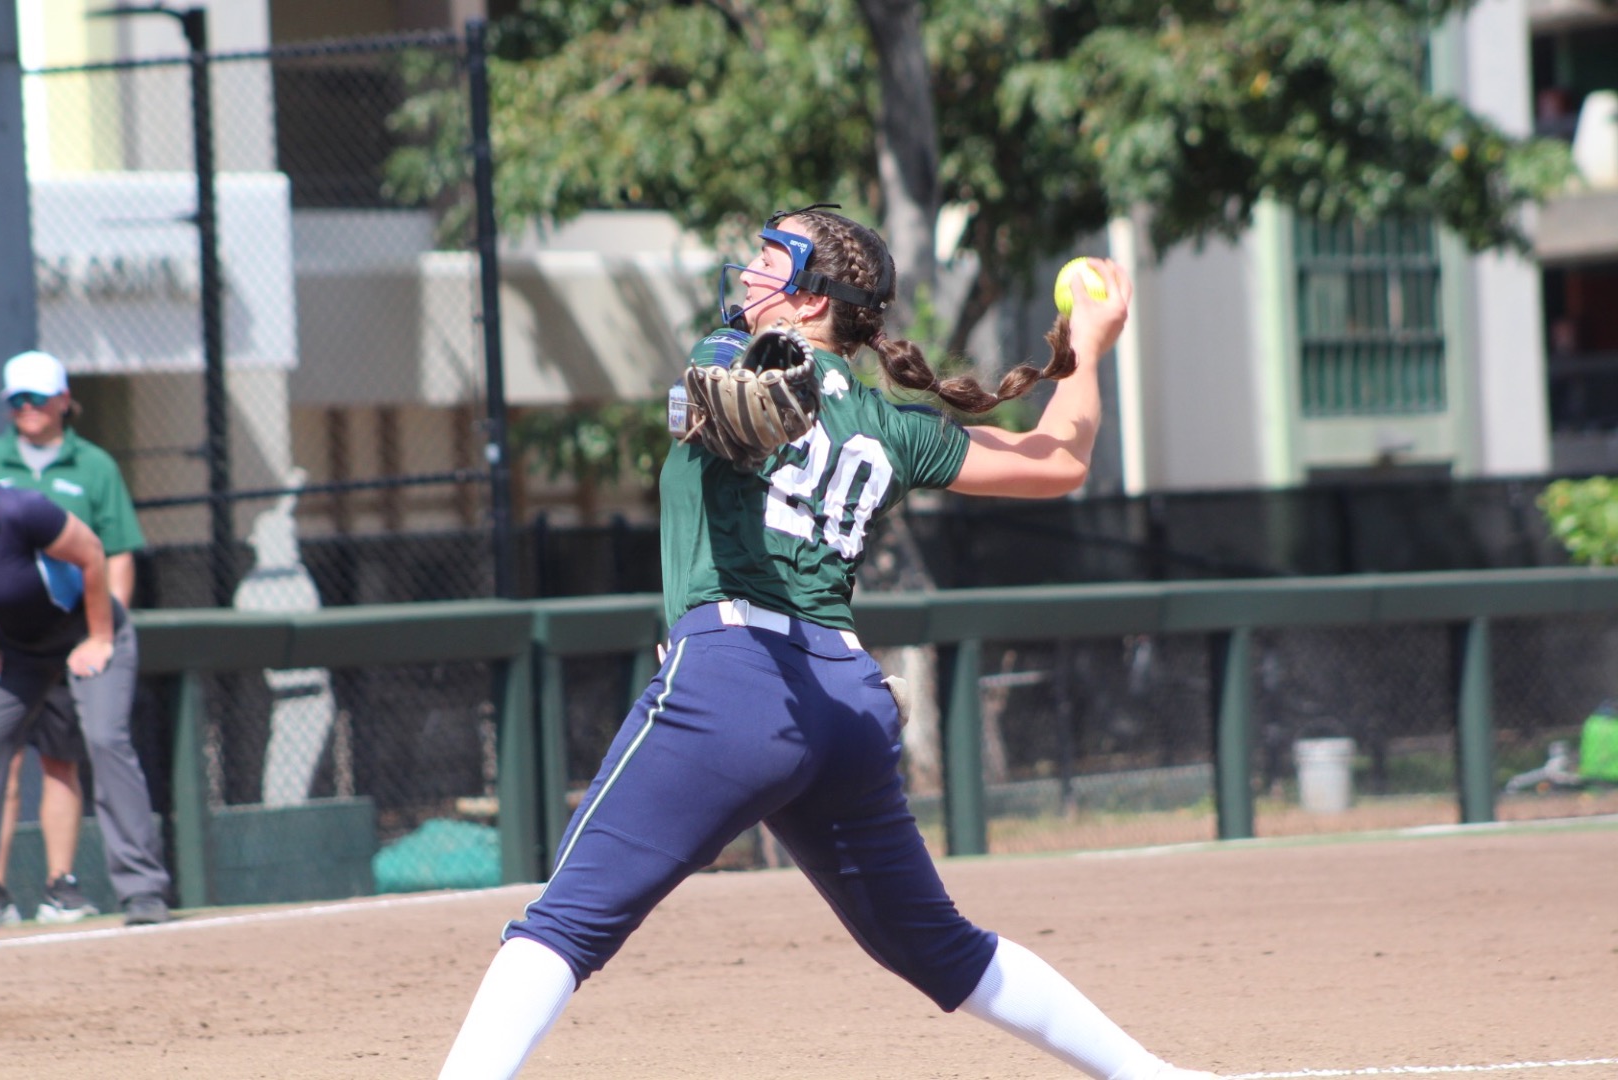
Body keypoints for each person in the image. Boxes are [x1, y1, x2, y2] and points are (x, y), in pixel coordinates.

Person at [437, 207, 1217, 1079]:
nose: (749, 273)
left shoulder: (728, 352)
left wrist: (754, 397)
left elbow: (728, 388)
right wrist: (1091, 346)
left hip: (734, 680)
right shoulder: (890, 426)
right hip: (845, 700)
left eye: (772, 260)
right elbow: (1057, 460)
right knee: (940, 949)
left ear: (813, 302)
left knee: (563, 922)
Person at [0, 420, 173, 935]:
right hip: (20, 648)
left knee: (105, 739)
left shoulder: (21, 510)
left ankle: (144, 890)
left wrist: (99, 637)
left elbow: (92, 552)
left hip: (85, 629)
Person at [0, 350, 146, 926]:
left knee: (63, 759)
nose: (27, 408)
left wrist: (106, 630)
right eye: (17, 400)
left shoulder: (95, 466)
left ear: (63, 400)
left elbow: (117, 552)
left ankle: (61, 885)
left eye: (37, 397)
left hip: (74, 639)